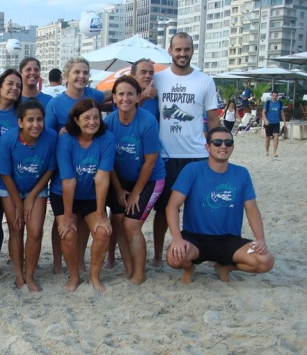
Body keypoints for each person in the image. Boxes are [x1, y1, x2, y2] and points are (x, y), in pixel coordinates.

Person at [166, 126, 274, 283]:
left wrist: (260, 239)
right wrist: (177, 239)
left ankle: (225, 267)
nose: (223, 146)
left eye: (228, 142)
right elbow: (172, 206)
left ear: (232, 147)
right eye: (217, 142)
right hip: (195, 239)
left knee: (266, 261)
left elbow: (252, 210)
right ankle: (189, 268)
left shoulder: (241, 173)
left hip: (228, 240)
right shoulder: (192, 170)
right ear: (207, 147)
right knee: (174, 258)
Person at [151, 32, 221, 267]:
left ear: (192, 51)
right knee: (162, 210)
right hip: (166, 156)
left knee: (200, 208)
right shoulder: (158, 79)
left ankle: (205, 252)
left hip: (197, 155)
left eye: (187, 49)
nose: (182, 54)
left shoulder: (205, 80)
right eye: (178, 49)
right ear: (169, 51)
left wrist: (216, 150)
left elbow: (213, 120)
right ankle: (159, 255)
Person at [45, 57, 112, 275]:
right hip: (65, 165)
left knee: (90, 227)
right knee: (65, 227)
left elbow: (111, 95)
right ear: (66, 76)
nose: (81, 76)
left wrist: (138, 89)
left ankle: (84, 267)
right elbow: (46, 134)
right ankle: (60, 264)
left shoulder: (92, 95)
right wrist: (62, 134)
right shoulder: (55, 104)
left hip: (89, 182)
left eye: (85, 72)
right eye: (76, 72)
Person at [104, 76, 166, 285]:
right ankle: (129, 270)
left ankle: (140, 273)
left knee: (131, 225)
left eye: (130, 93)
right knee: (119, 223)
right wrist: (119, 190)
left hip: (150, 179)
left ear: (139, 97)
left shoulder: (147, 121)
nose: (125, 98)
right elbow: (108, 161)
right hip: (122, 179)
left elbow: (150, 162)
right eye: (121, 93)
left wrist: (136, 193)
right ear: (114, 97)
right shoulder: (109, 122)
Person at [49, 99, 115, 292]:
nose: (92, 122)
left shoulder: (107, 139)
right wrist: (68, 217)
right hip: (63, 194)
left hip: (91, 195)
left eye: (96, 117)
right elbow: (68, 180)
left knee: (103, 232)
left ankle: (94, 276)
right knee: (68, 233)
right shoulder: (66, 140)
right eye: (86, 118)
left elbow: (102, 178)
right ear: (76, 120)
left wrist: (102, 213)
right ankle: (74, 277)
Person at [0, 99, 57, 291]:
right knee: (16, 228)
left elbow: (50, 169)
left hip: (37, 187)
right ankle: (18, 274)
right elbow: (5, 174)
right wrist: (19, 204)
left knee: (35, 231)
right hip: (9, 187)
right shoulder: (8, 139)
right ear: (20, 122)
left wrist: (31, 198)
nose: (36, 124)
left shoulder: (51, 137)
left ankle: (30, 275)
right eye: (30, 120)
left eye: (39, 120)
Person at [0, 69, 23, 278]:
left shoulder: (20, 114)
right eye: (10, 84)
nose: (14, 88)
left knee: (12, 225)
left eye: (18, 86)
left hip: (12, 179)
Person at [262, 91, 286, 158]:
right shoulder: (268, 103)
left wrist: (284, 122)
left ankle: (274, 152)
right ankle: (267, 151)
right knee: (267, 138)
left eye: (276, 96)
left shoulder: (279, 103)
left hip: (276, 122)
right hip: (268, 122)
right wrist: (265, 120)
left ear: (277, 96)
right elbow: (263, 112)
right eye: (273, 95)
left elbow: (282, 113)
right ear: (271, 96)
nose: (275, 97)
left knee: (276, 137)